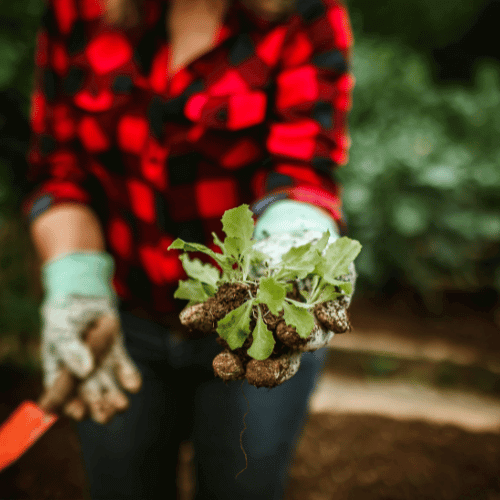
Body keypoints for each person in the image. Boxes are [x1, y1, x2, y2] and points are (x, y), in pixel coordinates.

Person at [22, 0, 355, 498]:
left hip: (252, 322)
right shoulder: (77, 11)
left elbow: (303, 168)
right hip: (121, 318)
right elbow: (58, 172)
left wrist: (293, 246)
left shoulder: (305, 14)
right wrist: (75, 284)